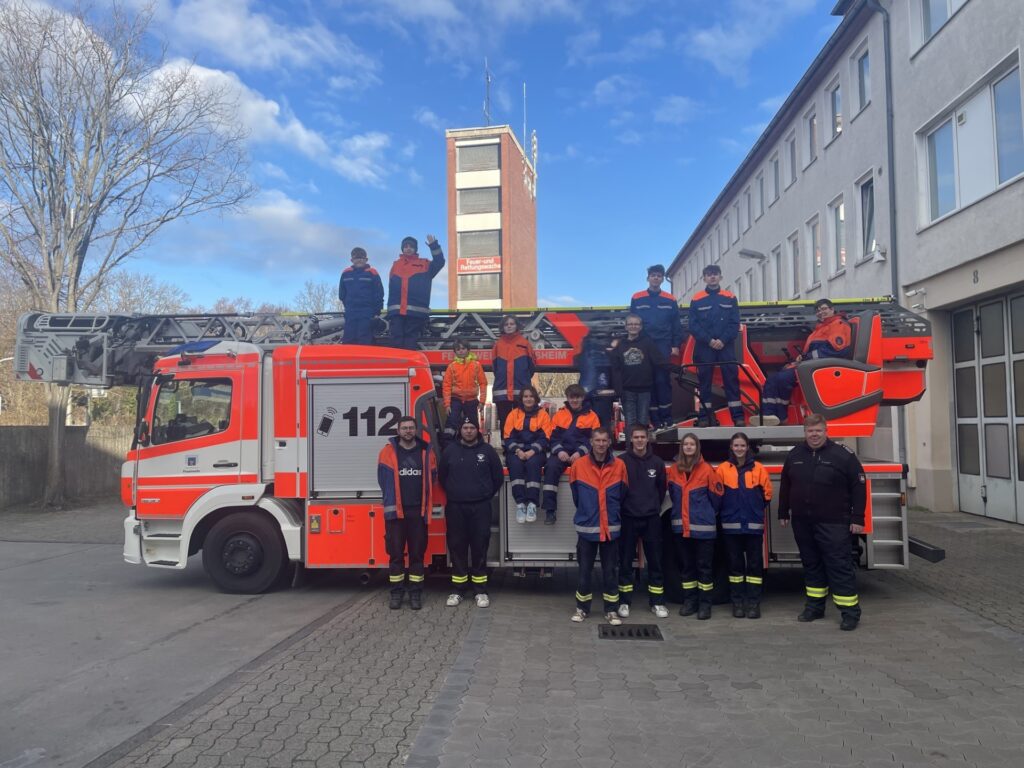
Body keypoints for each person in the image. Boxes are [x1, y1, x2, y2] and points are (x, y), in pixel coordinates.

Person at [778, 414, 866, 631]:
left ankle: (850, 613)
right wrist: (783, 512)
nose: (814, 434)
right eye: (810, 431)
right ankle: (815, 607)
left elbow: (859, 485)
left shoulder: (842, 455)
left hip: (834, 521)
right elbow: (785, 485)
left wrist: (858, 517)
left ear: (826, 431)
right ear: (804, 433)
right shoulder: (795, 455)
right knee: (811, 564)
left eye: (818, 430)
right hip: (803, 521)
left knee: (839, 566)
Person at [377, 416, 440, 610]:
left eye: (411, 428)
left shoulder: (426, 452)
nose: (408, 431)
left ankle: (415, 593)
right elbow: (382, 479)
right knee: (395, 556)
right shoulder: (387, 452)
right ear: (398, 431)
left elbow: (434, 477)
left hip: (418, 513)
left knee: (417, 556)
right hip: (396, 514)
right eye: (404, 428)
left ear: (416, 430)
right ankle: (396, 594)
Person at [439, 419, 504, 608]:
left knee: (479, 547)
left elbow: (497, 477)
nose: (468, 431)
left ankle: (480, 590)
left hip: (481, 507)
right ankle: (457, 590)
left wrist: (484, 494)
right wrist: (455, 491)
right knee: (457, 547)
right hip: (456, 507)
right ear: (460, 430)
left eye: (472, 428)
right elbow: (442, 477)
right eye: (465, 428)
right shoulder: (450, 451)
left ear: (478, 430)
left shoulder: (488, 451)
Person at [760, 299, 853, 425]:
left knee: (783, 379)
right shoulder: (821, 328)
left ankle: (781, 417)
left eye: (824, 309)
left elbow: (835, 350)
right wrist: (802, 358)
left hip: (821, 368)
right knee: (773, 379)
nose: (821, 312)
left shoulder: (838, 324)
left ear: (832, 309)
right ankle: (768, 416)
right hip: (812, 366)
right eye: (818, 310)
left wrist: (807, 358)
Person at [569, 427, 627, 625]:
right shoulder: (579, 465)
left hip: (610, 529)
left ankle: (611, 610)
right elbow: (577, 496)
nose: (601, 444)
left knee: (610, 572)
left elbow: (623, 494)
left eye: (604, 440)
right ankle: (582, 608)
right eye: (597, 440)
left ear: (609, 442)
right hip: (587, 529)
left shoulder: (619, 465)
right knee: (584, 572)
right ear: (591, 442)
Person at [716, 432, 773, 619]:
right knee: (735, 567)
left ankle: (754, 604)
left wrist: (755, 511)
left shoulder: (758, 468)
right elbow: (717, 495)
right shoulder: (723, 469)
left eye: (742, 445)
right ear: (731, 448)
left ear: (747, 447)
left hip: (753, 526)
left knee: (755, 567)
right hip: (731, 526)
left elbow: (767, 494)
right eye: (736, 445)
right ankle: (738, 603)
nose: (739, 449)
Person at [666, 432, 722, 619]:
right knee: (687, 567)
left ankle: (705, 604)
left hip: (703, 529)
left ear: (697, 448)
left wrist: (705, 514)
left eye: (692, 444)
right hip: (681, 528)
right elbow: (673, 496)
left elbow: (716, 497)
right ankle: (690, 602)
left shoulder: (706, 470)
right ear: (681, 447)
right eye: (686, 444)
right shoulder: (674, 470)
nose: (689, 447)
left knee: (704, 568)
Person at [617, 424, 669, 619]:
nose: (639, 440)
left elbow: (661, 489)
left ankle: (657, 603)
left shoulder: (657, 462)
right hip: (628, 518)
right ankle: (624, 602)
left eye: (642, 437)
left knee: (655, 562)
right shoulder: (621, 462)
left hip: (651, 519)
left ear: (648, 439)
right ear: (630, 439)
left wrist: (652, 507)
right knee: (624, 562)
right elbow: (619, 489)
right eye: (636, 437)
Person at [687, 264, 744, 427]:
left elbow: (734, 323)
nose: (712, 277)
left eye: (715, 274)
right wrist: (710, 340)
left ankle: (738, 417)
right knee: (704, 382)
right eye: (709, 274)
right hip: (705, 347)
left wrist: (722, 340)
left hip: (725, 346)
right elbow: (693, 325)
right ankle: (704, 417)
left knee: (731, 380)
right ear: (704, 278)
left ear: (720, 277)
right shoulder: (696, 299)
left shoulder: (730, 297)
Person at [630, 264, 683, 428]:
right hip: (644, 344)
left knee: (662, 381)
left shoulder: (670, 299)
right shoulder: (637, 297)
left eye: (659, 276)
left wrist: (675, 345)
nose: (656, 278)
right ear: (648, 278)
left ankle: (666, 417)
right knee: (649, 381)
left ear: (662, 279)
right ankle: (654, 419)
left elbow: (676, 324)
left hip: (663, 344)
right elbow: (632, 322)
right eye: (653, 275)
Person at [541, 384, 601, 525]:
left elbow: (594, 440)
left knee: (586, 477)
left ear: (582, 398)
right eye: (572, 397)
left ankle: (586, 510)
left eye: (577, 397)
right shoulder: (559, 415)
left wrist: (580, 453)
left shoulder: (592, 417)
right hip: (561, 452)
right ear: (567, 398)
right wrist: (559, 451)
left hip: (581, 455)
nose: (574, 400)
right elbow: (552, 437)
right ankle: (550, 510)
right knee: (550, 467)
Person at [609, 314, 669, 431]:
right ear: (626, 327)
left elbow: (659, 361)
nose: (633, 326)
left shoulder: (647, 343)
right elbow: (615, 369)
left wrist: (677, 368)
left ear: (641, 327)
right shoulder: (620, 345)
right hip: (627, 391)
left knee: (642, 423)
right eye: (630, 324)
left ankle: (643, 448)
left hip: (644, 390)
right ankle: (630, 448)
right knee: (630, 423)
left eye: (636, 324)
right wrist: (618, 390)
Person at [503, 385, 552, 524]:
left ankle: (531, 504)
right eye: (525, 396)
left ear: (535, 398)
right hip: (516, 451)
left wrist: (532, 451)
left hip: (536, 452)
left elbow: (545, 438)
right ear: (521, 399)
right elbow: (508, 437)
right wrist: (518, 451)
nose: (528, 399)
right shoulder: (513, 414)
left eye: (531, 396)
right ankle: (520, 504)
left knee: (533, 464)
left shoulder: (543, 414)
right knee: (515, 465)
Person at [387, 235, 445, 350]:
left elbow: (439, 262)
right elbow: (391, 286)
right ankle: (398, 367)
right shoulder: (396, 264)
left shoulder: (424, 264)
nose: (408, 248)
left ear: (416, 249)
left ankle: (408, 366)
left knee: (410, 341)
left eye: (411, 246)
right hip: (396, 312)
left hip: (415, 312)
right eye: (406, 246)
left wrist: (434, 246)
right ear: (402, 248)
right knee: (396, 341)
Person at [492, 315, 536, 435]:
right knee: (505, 422)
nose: (509, 326)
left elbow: (532, 366)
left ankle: (521, 446)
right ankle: (506, 446)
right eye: (506, 324)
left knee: (521, 421)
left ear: (517, 326)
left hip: (521, 393)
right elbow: (495, 368)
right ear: (502, 327)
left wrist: (522, 378)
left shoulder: (525, 343)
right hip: (502, 392)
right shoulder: (498, 345)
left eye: (512, 324)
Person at [441, 339, 487, 444]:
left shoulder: (476, 365)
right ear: (455, 352)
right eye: (458, 349)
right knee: (451, 424)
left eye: (463, 348)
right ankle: (448, 446)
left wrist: (482, 402)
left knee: (473, 423)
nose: (461, 351)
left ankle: (477, 445)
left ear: (468, 350)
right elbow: (446, 386)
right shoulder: (451, 366)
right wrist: (447, 404)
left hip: (471, 400)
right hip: (455, 400)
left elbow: (483, 383)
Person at [339, 247, 384, 345]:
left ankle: (364, 358)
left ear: (366, 259)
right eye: (356, 258)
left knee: (364, 337)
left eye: (362, 258)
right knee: (348, 337)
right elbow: (342, 293)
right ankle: (348, 358)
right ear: (352, 260)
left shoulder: (372, 273)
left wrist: (377, 311)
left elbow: (379, 293)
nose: (359, 260)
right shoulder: (346, 273)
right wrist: (348, 306)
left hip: (367, 312)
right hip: (351, 311)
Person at [577, 333, 616, 433]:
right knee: (603, 427)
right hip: (603, 396)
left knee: (589, 426)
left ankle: (590, 445)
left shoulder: (584, 356)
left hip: (589, 396)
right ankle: (605, 445)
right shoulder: (607, 356)